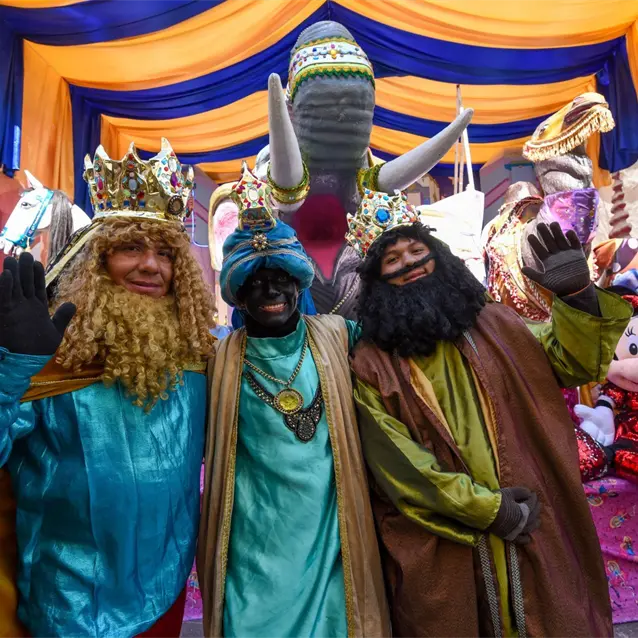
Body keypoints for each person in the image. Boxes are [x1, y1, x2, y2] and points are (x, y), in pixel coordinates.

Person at [346, 188, 631, 638]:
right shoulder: (370, 364)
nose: (409, 264)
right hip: (447, 545)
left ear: (438, 255)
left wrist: (578, 297)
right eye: (392, 260)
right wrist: (491, 510)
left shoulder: (498, 322)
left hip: (533, 522)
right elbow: (400, 465)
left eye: (417, 251)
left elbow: (570, 363)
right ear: (377, 279)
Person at [0, 140, 216, 637]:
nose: (151, 266)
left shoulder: (198, 359)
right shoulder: (49, 356)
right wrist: (13, 369)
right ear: (96, 260)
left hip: (166, 590)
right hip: (69, 605)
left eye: (166, 254)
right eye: (130, 248)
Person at [198, 164, 390, 638]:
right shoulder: (216, 360)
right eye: (255, 280)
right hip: (254, 539)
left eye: (281, 277)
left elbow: (404, 355)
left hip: (332, 532)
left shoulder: (340, 335)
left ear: (299, 282)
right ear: (238, 294)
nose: (271, 290)